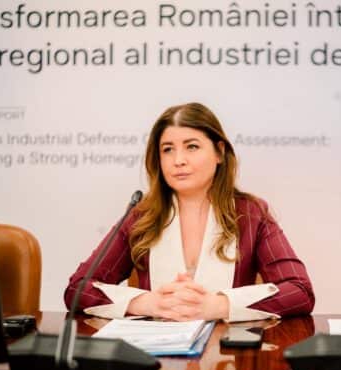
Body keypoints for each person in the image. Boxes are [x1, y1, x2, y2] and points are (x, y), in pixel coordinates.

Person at [64, 102, 314, 321]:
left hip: (229, 354)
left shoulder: (251, 213)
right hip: (154, 352)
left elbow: (299, 291)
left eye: (192, 147)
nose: (178, 160)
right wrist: (147, 303)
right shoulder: (142, 216)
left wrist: (218, 306)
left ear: (219, 152)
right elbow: (77, 289)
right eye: (168, 149)